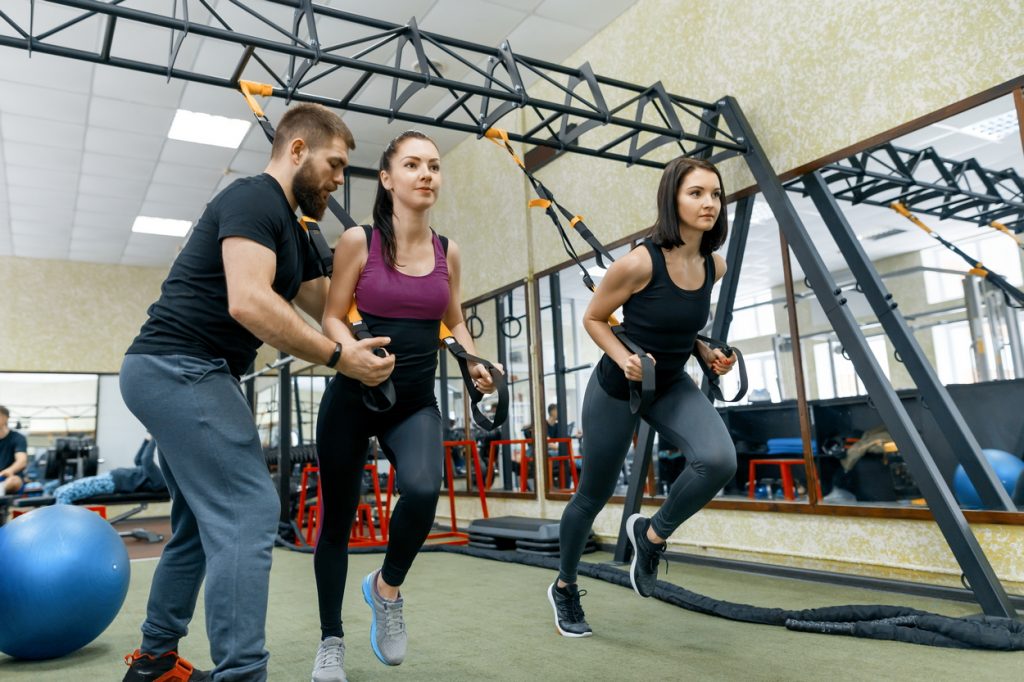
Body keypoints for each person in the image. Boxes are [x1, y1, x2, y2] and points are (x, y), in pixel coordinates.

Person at [119, 103, 393, 682]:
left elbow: (331, 306)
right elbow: (249, 300)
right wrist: (341, 359)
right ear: (296, 151)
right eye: (335, 164)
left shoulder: (298, 229)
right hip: (179, 366)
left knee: (200, 518)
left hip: (189, 371)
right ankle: (242, 674)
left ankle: (154, 662)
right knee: (249, 510)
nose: (340, 178)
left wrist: (386, 309)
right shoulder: (252, 199)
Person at [311, 130, 500, 682]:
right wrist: (349, 352)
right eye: (412, 165)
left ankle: (385, 588)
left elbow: (455, 319)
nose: (426, 175)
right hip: (353, 397)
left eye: (434, 166)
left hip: (414, 401)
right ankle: (331, 641)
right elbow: (330, 316)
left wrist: (473, 363)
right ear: (387, 178)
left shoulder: (448, 251)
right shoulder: (356, 241)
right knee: (338, 522)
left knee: (422, 489)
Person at [547, 157, 738, 637]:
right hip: (619, 386)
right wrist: (622, 356)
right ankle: (565, 588)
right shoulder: (638, 261)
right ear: (672, 199)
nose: (709, 203)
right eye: (696, 193)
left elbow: (680, 324)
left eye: (715, 193)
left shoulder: (714, 263)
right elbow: (595, 318)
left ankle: (650, 538)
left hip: (670, 382)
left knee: (718, 460)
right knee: (592, 495)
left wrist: (705, 349)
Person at [50, 436, 165, 504]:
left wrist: (155, 438)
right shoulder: (156, 476)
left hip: (111, 483)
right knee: (60, 491)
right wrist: (147, 440)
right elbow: (139, 460)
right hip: (109, 479)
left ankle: (63, 524)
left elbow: (146, 460)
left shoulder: (160, 481)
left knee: (64, 494)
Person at [0, 405, 28, 496]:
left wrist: (8, 471)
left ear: (6, 418)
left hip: (9, 478)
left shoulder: (17, 438)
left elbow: (22, 461)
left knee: (14, 481)